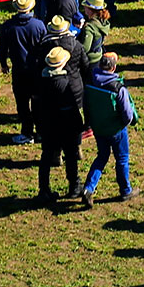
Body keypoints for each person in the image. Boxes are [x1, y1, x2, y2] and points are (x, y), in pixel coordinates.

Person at [81, 51, 138, 203]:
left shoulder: (90, 82)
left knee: (102, 156)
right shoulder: (118, 88)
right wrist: (122, 124)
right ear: (113, 68)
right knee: (122, 158)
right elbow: (128, 115)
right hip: (116, 130)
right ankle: (125, 190)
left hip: (98, 128)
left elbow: (86, 105)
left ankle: (88, 188)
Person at [35, 43, 87, 205]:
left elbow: (36, 105)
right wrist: (79, 124)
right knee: (70, 156)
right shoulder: (64, 83)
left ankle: (44, 189)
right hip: (66, 126)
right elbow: (71, 107)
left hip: (47, 126)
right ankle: (74, 186)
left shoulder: (41, 80)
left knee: (46, 157)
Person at [0, 0, 47, 144]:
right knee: (38, 103)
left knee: (23, 104)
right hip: (37, 71)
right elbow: (45, 46)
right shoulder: (39, 25)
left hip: (19, 71)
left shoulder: (8, 26)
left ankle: (27, 133)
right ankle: (41, 132)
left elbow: (2, 49)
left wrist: (4, 64)